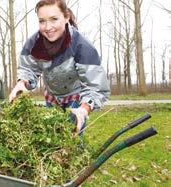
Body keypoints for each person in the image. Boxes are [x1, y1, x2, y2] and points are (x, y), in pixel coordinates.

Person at [9, 0, 110, 134]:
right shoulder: (34, 43)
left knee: (72, 136)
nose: (48, 27)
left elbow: (96, 86)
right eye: (42, 21)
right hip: (52, 96)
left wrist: (84, 109)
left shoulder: (82, 47)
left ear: (66, 17)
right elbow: (28, 68)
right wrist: (22, 83)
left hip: (75, 97)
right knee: (53, 134)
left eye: (54, 19)